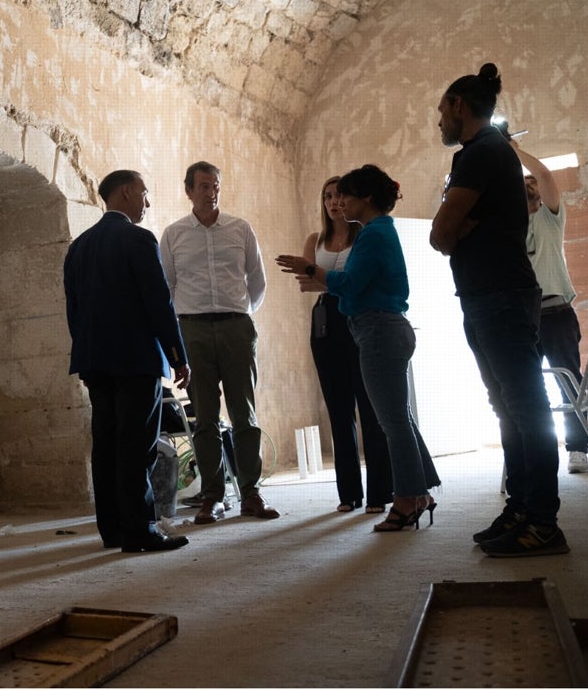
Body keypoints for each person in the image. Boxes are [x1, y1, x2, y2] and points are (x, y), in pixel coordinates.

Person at [430, 63, 569, 557]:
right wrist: (452, 230)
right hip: (488, 295)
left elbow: (439, 234)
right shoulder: (484, 153)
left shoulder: (481, 153)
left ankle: (544, 522)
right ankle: (522, 509)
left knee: (526, 407)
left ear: (460, 106)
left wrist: (453, 230)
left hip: (500, 296)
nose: (439, 121)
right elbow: (445, 232)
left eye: (442, 110)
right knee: (509, 408)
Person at [277, 165, 440, 533]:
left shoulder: (372, 235)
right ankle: (419, 493)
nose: (340, 202)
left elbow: (349, 284)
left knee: (391, 423)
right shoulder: (378, 231)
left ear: (365, 198)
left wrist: (310, 268)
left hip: (378, 329)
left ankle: (405, 499)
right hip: (380, 328)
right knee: (399, 419)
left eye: (346, 195)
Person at [63, 169, 191, 553]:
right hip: (136, 359)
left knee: (106, 446)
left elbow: (74, 310)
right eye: (144, 193)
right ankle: (140, 529)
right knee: (137, 447)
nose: (147, 202)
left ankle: (113, 530)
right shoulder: (138, 239)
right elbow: (158, 303)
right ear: (124, 193)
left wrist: (87, 350)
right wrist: (177, 355)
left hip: (95, 360)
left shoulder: (79, 247)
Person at [160, 161, 279, 524]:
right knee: (205, 419)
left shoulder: (240, 229)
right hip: (193, 330)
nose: (210, 192)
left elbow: (257, 283)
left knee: (245, 414)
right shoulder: (174, 234)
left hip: (236, 327)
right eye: (203, 186)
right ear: (189, 191)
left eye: (215, 185)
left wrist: (236, 313)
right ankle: (212, 495)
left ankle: (251, 494)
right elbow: (167, 286)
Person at [299, 176, 392, 514]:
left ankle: (380, 493)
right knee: (339, 410)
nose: (334, 202)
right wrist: (339, 283)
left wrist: (326, 279)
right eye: (327, 196)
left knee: (370, 406)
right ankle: (348, 493)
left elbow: (351, 281)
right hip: (326, 322)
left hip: (360, 318)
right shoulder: (316, 239)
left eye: (339, 195)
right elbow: (305, 286)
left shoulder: (365, 236)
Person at [509, 135, 588, 474]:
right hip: (522, 317)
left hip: (556, 312)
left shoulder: (550, 217)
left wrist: (514, 153)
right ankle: (537, 453)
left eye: (532, 185)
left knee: (568, 382)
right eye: (522, 184)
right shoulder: (510, 225)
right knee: (526, 389)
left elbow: (544, 175)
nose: (529, 187)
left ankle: (577, 449)